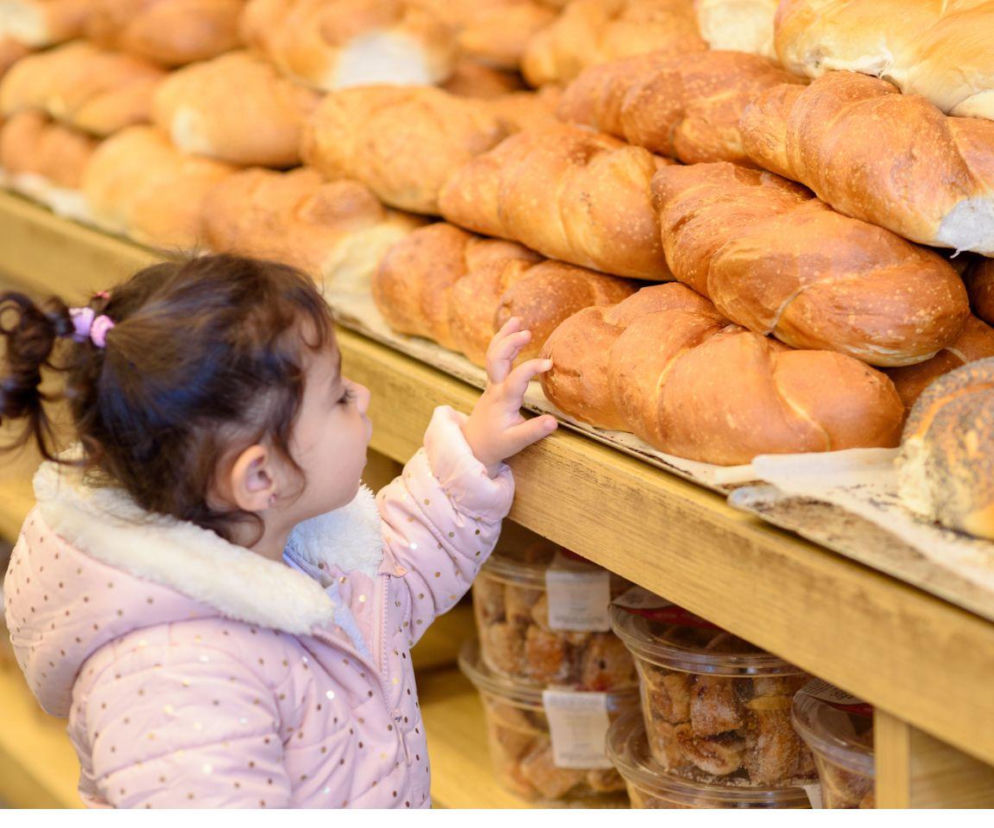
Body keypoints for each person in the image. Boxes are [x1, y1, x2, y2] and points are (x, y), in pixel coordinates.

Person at [0, 254, 558, 808]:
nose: (362, 395)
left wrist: (474, 450)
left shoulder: (283, 544)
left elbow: (399, 569)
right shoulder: (178, 680)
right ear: (260, 476)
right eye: (338, 396)